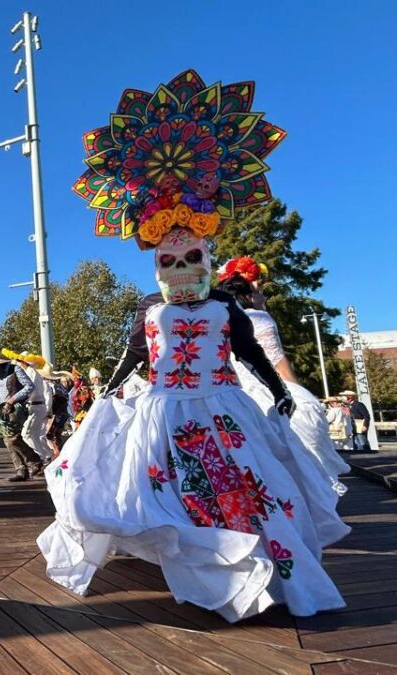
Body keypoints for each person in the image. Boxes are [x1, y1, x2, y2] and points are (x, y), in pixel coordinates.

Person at [41, 71, 346, 622]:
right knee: (167, 492)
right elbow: (134, 356)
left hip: (225, 411)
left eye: (191, 260)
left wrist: (278, 391)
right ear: (156, 265)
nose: (180, 269)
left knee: (245, 492)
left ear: (207, 259)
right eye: (168, 261)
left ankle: (255, 574)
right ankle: (205, 568)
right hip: (161, 415)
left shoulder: (225, 308)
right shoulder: (149, 311)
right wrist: (106, 395)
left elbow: (250, 354)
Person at [216, 258, 349, 494]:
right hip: (268, 391)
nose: (264, 296)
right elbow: (278, 363)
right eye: (259, 290)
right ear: (248, 294)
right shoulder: (260, 319)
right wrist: (294, 391)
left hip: (237, 398)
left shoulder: (220, 321)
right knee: (303, 453)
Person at [0, 350, 43, 482]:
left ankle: (35, 461)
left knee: (12, 439)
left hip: (16, 409)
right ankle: (21, 470)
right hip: (4, 411)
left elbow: (29, 386)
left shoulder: (15, 370)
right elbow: (1, 393)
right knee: (8, 440)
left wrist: (12, 400)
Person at [3, 349, 54, 464]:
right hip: (36, 406)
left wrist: (16, 399)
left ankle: (43, 457)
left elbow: (30, 390)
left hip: (35, 406)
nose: (19, 363)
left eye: (20, 361)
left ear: (24, 362)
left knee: (27, 434)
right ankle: (46, 456)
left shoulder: (31, 372)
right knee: (35, 436)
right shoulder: (32, 372)